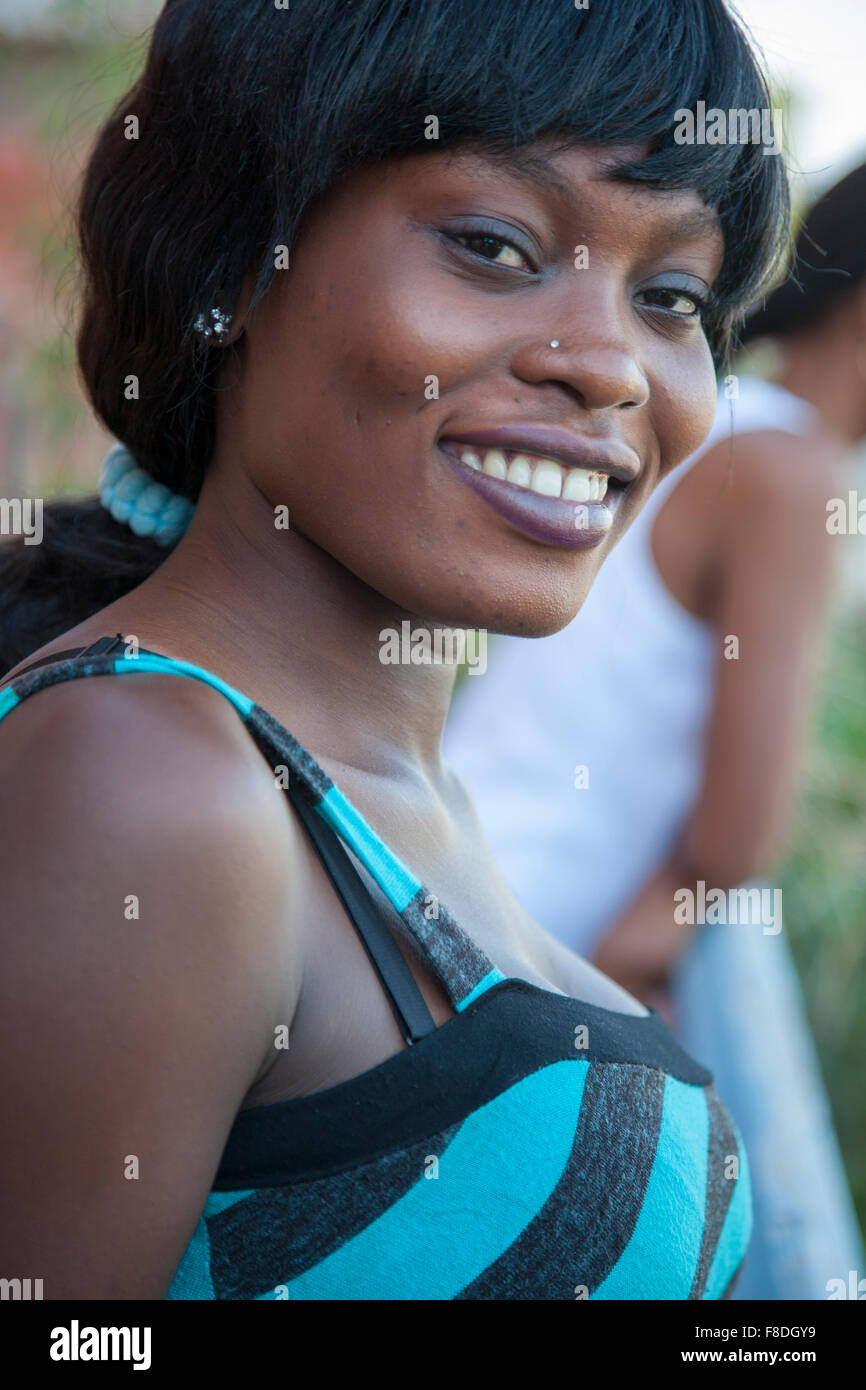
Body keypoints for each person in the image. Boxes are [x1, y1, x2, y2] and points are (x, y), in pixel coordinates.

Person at [0, 0, 788, 1300]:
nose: (608, 368)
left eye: (669, 296)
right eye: (492, 244)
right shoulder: (147, 778)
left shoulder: (380, 800)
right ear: (231, 270)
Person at [443, 161, 866, 1299]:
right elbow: (737, 840)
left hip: (462, 886)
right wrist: (627, 983)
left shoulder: (714, 426)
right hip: (534, 945)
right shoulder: (787, 474)